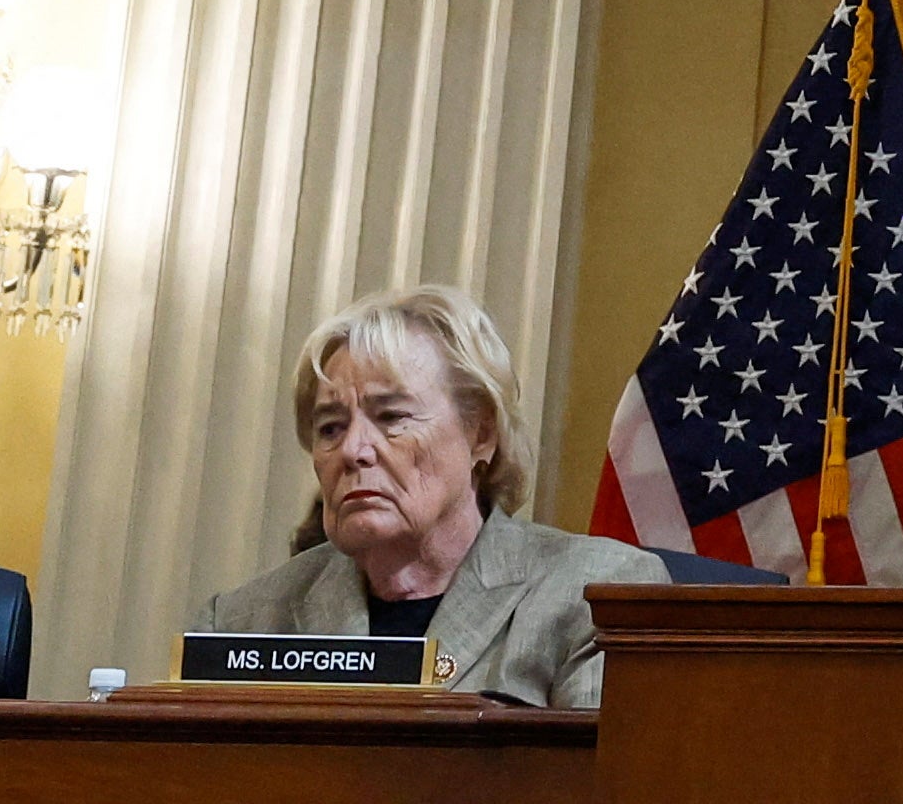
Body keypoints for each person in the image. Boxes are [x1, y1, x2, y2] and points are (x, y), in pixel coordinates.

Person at [191, 287, 661, 706]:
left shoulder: (597, 596)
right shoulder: (243, 621)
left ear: (480, 434)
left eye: (392, 417)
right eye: (330, 427)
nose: (353, 450)